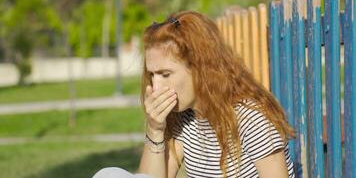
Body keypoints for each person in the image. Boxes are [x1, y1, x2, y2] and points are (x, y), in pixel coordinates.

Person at [93, 10, 295, 178]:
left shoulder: (251, 118)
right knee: (108, 174)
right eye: (152, 75)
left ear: (200, 69)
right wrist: (155, 129)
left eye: (165, 74)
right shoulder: (185, 120)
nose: (156, 86)